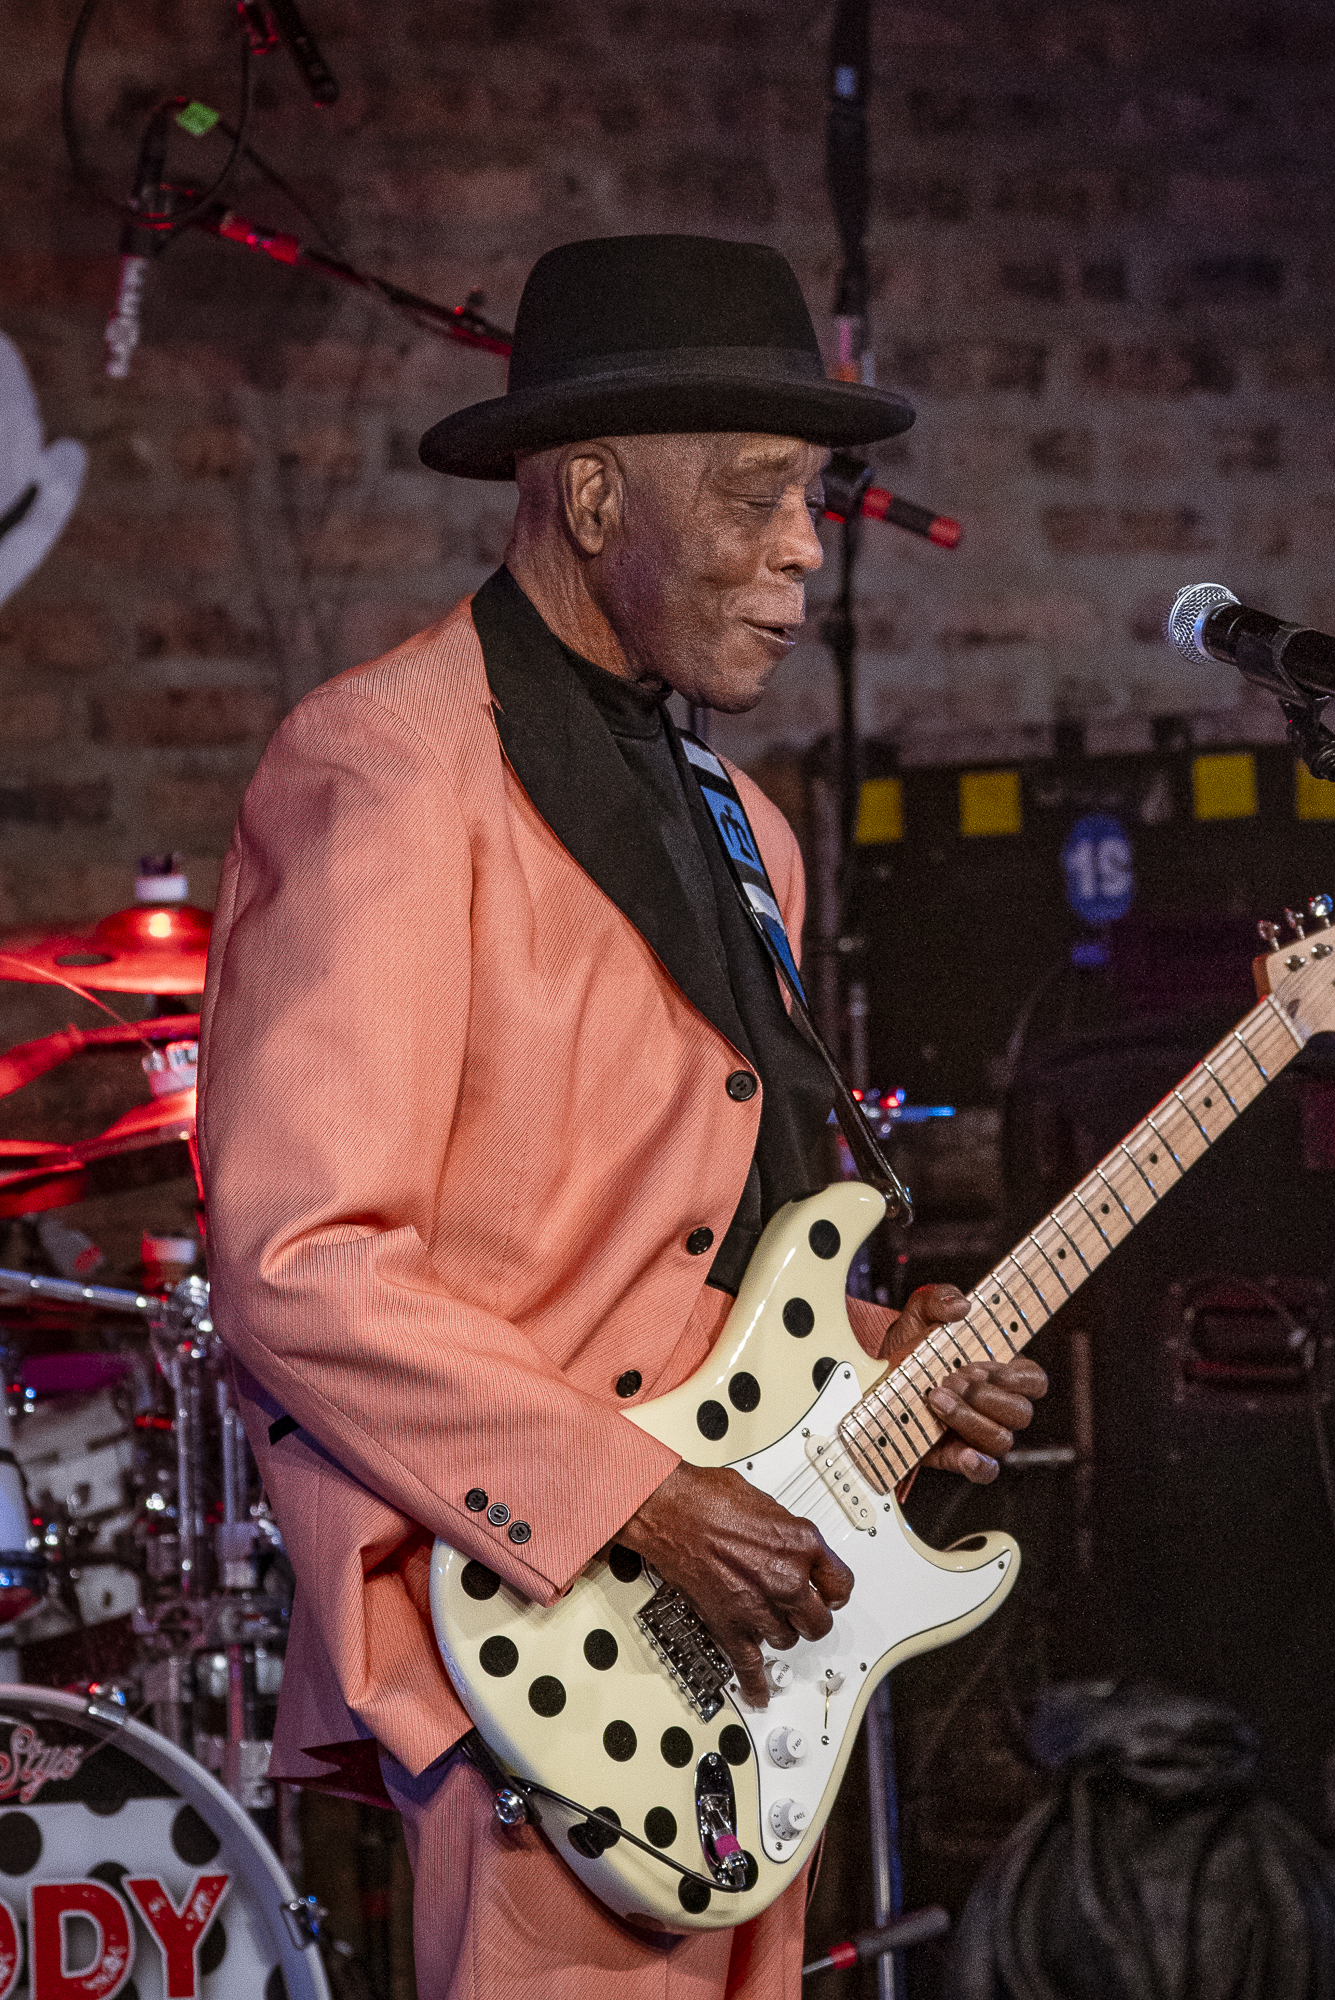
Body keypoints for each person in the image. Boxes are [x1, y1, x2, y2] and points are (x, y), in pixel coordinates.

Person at [198, 235, 1047, 2000]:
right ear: (589, 495)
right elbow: (299, 1261)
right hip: (530, 1633)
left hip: (729, 1649)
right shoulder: (387, 767)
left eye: (817, 501)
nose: (808, 553)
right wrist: (633, 1495)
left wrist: (889, 1352)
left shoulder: (752, 827)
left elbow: (714, 1261)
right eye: (757, 499)